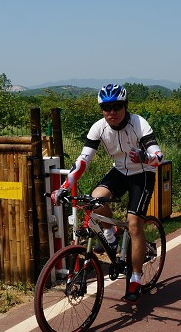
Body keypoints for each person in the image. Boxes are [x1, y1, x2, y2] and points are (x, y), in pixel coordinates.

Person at [51, 84, 163, 303]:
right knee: (95, 199)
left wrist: (144, 157)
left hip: (143, 173)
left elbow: (158, 156)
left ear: (125, 106)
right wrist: (64, 186)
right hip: (120, 171)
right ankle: (110, 237)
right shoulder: (99, 127)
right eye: (106, 107)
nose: (112, 112)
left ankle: (136, 278)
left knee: (133, 224)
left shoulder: (139, 123)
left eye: (117, 106)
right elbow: (82, 161)